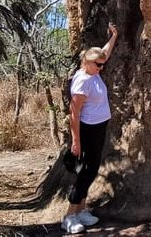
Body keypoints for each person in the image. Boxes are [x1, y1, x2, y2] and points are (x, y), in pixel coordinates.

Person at [61, 23, 118, 234]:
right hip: (87, 131)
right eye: (99, 65)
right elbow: (73, 114)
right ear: (88, 62)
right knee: (86, 172)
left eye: (103, 65)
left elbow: (105, 52)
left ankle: (82, 211)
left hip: (99, 127)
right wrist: (76, 141)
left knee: (91, 169)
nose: (102, 68)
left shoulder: (93, 72)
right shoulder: (82, 82)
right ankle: (69, 216)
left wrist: (114, 36)